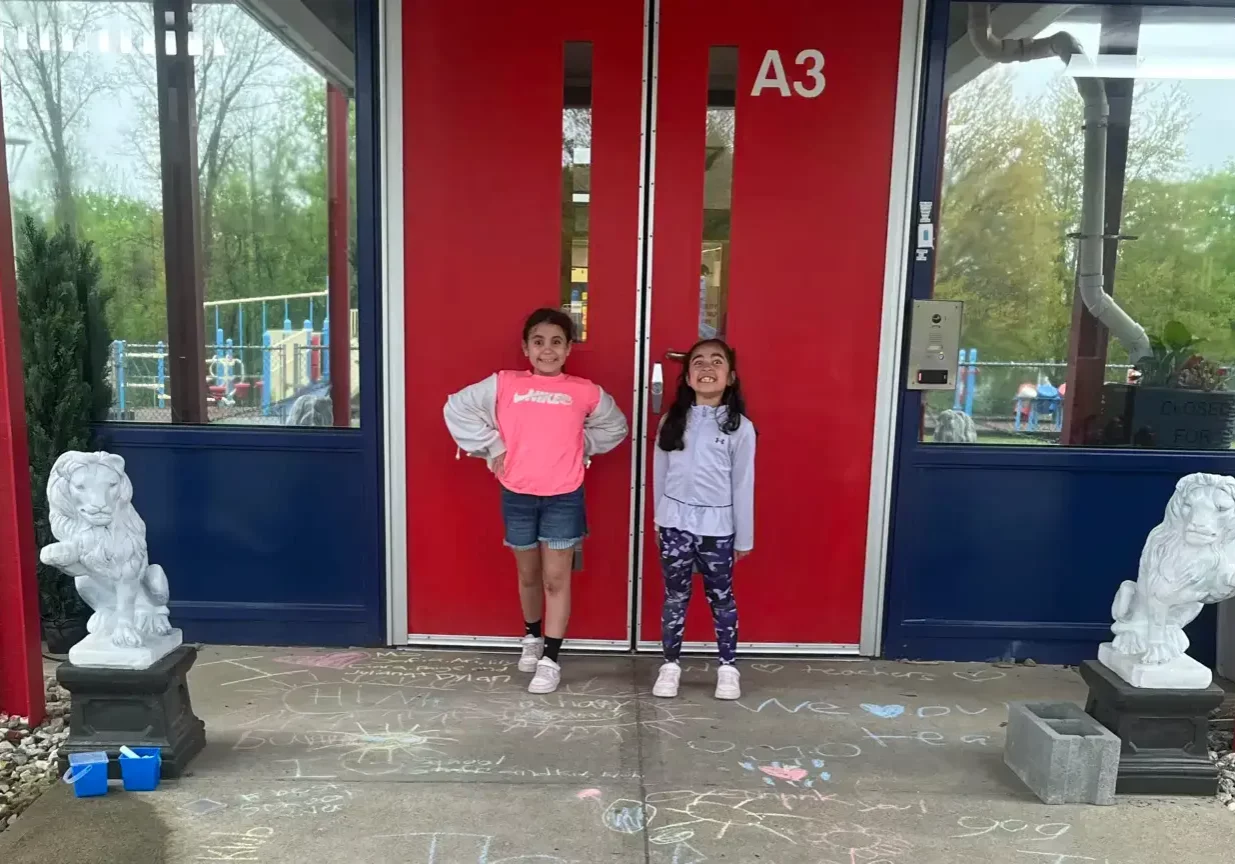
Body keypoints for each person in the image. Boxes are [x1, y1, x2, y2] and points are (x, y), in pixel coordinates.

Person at [443, 308, 628, 694]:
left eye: (557, 342)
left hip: (564, 496)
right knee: (528, 575)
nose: (548, 350)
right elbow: (456, 407)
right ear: (526, 348)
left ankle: (551, 659)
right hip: (518, 494)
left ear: (569, 349)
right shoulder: (504, 383)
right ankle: (532, 637)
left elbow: (616, 426)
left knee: (555, 579)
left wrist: (582, 445)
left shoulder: (584, 391)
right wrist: (493, 446)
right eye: (539, 342)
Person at [651, 338, 755, 700]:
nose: (707, 368)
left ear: (731, 377)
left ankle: (727, 667)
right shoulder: (672, 422)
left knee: (721, 597)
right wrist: (659, 521)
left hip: (718, 530)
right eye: (698, 362)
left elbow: (743, 483)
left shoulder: (739, 428)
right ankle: (670, 665)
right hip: (675, 526)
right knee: (675, 597)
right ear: (687, 377)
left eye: (716, 362)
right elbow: (660, 475)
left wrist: (743, 538)